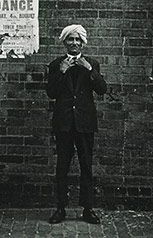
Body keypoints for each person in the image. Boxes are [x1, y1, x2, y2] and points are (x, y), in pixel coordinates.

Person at [46, 24, 107, 224]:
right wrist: (62, 71)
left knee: (86, 166)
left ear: (83, 42)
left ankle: (88, 209)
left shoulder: (92, 63)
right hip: (63, 123)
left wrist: (90, 70)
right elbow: (51, 93)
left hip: (84, 123)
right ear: (65, 42)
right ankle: (60, 208)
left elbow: (102, 90)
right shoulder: (56, 64)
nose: (74, 43)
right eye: (70, 39)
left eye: (78, 39)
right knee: (62, 166)